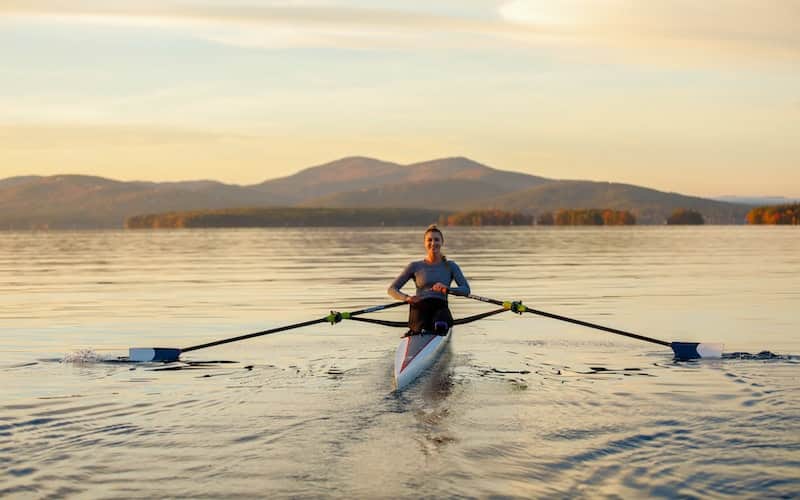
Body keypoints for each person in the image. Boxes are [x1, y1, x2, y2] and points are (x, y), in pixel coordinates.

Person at [388, 224, 470, 335]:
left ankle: (436, 329)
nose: (433, 243)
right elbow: (392, 289)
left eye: (436, 240)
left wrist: (448, 289)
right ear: (425, 243)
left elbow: (466, 290)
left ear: (442, 242)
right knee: (421, 325)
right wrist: (406, 298)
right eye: (429, 240)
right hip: (420, 306)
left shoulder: (451, 266)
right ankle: (418, 330)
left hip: (440, 307)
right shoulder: (414, 266)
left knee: (440, 323)